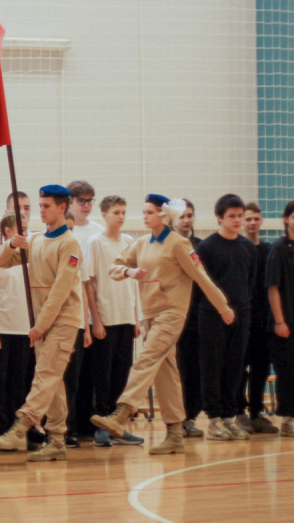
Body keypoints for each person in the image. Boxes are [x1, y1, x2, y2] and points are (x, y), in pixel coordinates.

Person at [91, 195, 234, 455]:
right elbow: (116, 266)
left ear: (163, 215)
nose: (144, 216)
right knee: (165, 373)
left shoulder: (179, 244)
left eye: (149, 212)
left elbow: (201, 277)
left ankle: (121, 414)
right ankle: (175, 433)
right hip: (150, 315)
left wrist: (223, 307)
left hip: (172, 313)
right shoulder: (141, 243)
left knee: (145, 359)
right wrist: (128, 272)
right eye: (143, 211)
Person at [0, 185, 83, 462]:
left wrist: (40, 325)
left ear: (62, 208)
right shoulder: (38, 240)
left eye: (47, 206)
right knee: (52, 382)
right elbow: (2, 262)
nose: (41, 210)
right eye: (40, 206)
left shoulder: (69, 243)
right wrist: (11, 244)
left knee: (44, 377)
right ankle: (56, 439)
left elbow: (60, 291)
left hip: (61, 321)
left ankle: (21, 426)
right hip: (42, 322)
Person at [194, 194, 256, 440]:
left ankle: (230, 418)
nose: (237, 220)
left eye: (240, 216)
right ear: (220, 217)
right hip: (211, 315)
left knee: (235, 367)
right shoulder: (206, 247)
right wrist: (221, 307)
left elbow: (249, 282)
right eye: (232, 216)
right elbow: (201, 283)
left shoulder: (248, 247)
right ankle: (214, 419)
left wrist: (240, 307)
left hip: (242, 313)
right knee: (212, 366)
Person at [84, 196, 144, 448]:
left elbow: (133, 282)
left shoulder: (130, 242)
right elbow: (87, 281)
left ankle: (118, 425)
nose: (121, 216)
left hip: (125, 319)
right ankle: (100, 429)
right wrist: (95, 320)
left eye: (123, 212)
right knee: (103, 376)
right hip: (105, 320)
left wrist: (136, 317)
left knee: (122, 375)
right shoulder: (95, 243)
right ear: (105, 215)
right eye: (116, 212)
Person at [0, 213, 37, 443]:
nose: (27, 231)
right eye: (22, 228)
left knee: (23, 381)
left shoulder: (31, 255)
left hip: (26, 328)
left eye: (27, 227)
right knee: (0, 382)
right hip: (3, 327)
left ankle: (23, 427)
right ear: (8, 231)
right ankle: (3, 428)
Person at [240, 202, 279, 434]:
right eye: (248, 219)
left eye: (256, 218)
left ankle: (256, 413)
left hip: (264, 322)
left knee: (261, 367)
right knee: (238, 369)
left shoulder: (269, 250)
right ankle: (238, 412)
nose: (252, 223)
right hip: (240, 319)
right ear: (242, 222)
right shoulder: (238, 248)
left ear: (261, 221)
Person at [62, 210, 95, 448]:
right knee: (53, 381)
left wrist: (86, 327)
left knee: (73, 380)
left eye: (72, 228)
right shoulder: (45, 248)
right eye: (66, 227)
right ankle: (54, 428)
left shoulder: (76, 253)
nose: (70, 232)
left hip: (76, 324)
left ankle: (70, 428)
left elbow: (83, 290)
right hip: (54, 325)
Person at [173, 199, 205, 438]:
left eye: (189, 215)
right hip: (171, 315)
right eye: (182, 216)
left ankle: (190, 417)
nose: (186, 220)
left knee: (194, 369)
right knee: (175, 371)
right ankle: (174, 419)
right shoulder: (165, 244)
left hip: (196, 318)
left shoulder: (201, 247)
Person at [265, 199, 294, 437]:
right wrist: (279, 321)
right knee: (287, 372)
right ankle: (287, 420)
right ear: (286, 219)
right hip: (286, 321)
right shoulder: (278, 248)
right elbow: (273, 288)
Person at [67, 180, 104, 246]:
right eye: (81, 201)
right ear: (69, 202)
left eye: (89, 200)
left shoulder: (99, 231)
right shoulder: (61, 231)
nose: (86, 205)